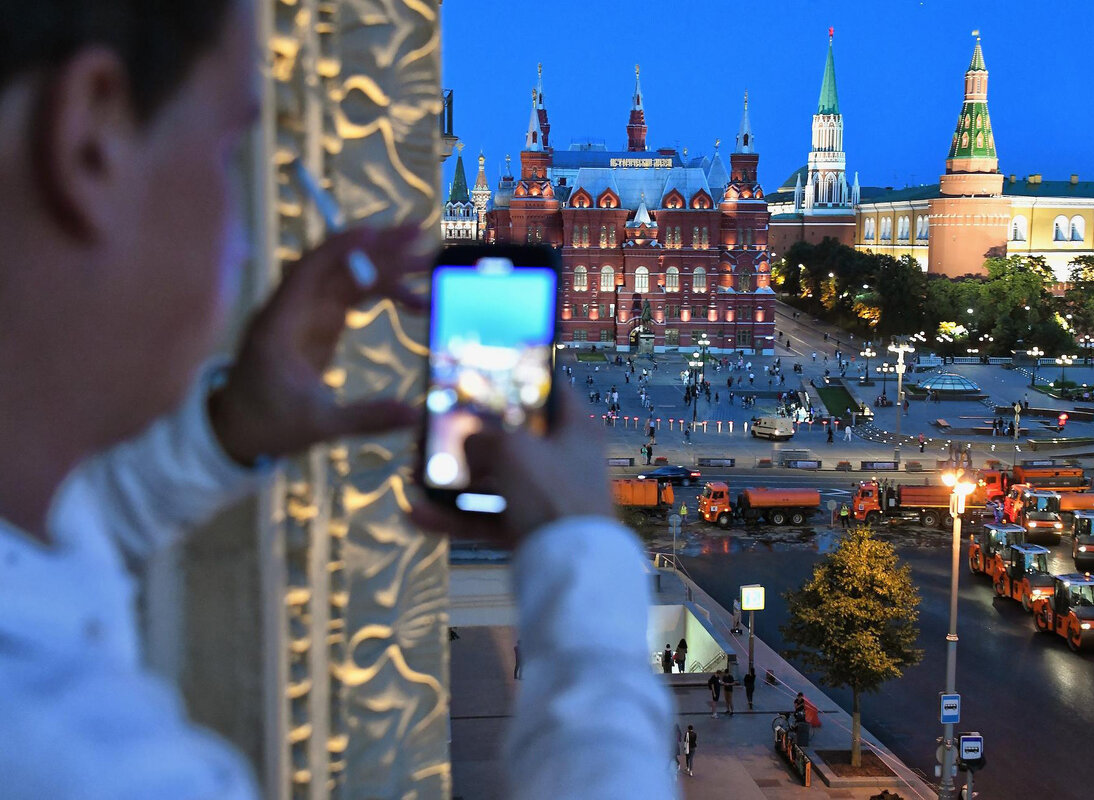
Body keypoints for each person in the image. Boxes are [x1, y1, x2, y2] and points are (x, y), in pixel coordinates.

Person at [0, 5, 673, 798]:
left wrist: (223, 436)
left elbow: (47, 569)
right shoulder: (99, 768)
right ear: (92, 138)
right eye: (225, 152)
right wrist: (584, 566)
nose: (247, 241)